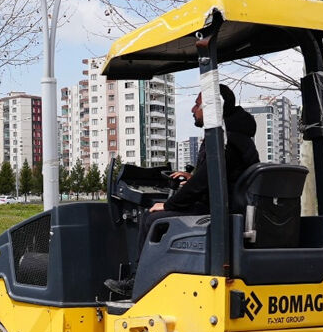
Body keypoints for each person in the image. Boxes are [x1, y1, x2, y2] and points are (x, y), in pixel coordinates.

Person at [109, 84, 259, 295]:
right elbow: (214, 176)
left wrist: (169, 204)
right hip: (229, 205)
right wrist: (193, 177)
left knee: (152, 218)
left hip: (219, 210)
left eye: (197, 104)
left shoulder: (223, 139)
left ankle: (138, 282)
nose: (192, 109)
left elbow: (204, 182)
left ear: (213, 107)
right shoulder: (236, 135)